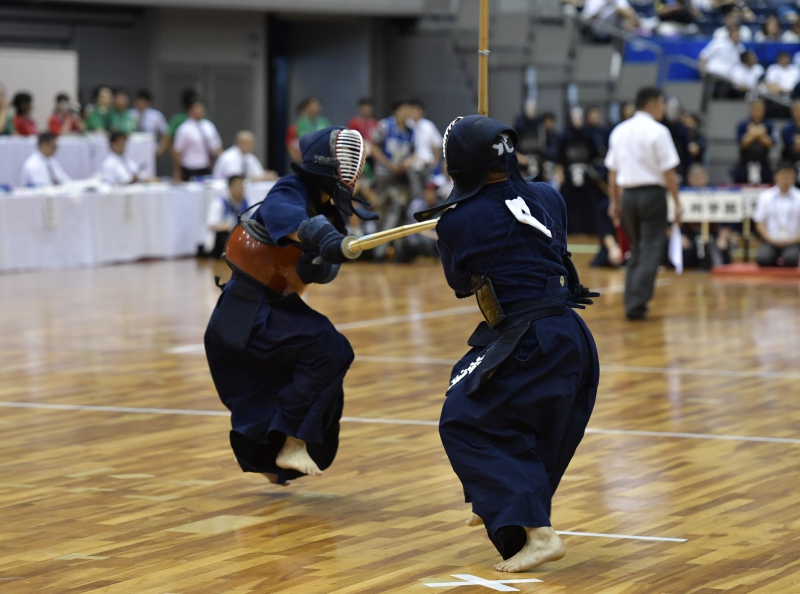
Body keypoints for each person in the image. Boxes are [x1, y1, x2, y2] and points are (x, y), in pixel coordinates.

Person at [412, 115, 599, 573]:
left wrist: (453, 221)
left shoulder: (457, 222)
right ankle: (500, 499)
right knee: (524, 421)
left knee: (462, 420)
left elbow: (461, 282)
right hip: (572, 335)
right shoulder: (549, 196)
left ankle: (538, 532)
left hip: (528, 337)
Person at [203, 126, 377, 485]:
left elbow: (316, 271)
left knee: (321, 368)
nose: (353, 175)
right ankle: (291, 441)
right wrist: (323, 238)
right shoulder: (290, 189)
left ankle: (273, 459)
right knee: (329, 349)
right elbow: (290, 219)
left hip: (275, 307)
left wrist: (332, 253)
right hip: (246, 311)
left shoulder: (328, 210)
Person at [606, 87, 682, 320]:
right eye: (661, 104)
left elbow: (612, 172)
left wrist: (614, 201)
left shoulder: (619, 131)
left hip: (628, 195)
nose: (663, 108)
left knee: (637, 250)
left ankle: (632, 299)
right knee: (650, 250)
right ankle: (636, 304)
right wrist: (677, 202)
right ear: (651, 105)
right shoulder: (659, 131)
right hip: (652, 195)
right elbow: (668, 172)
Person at [371, 100, 416, 234]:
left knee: (400, 209)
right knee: (381, 208)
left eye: (409, 110)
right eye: (404, 110)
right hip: (384, 174)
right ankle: (377, 246)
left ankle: (394, 247)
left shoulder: (411, 130)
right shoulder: (385, 125)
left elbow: (414, 152)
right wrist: (390, 165)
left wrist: (407, 162)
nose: (407, 113)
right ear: (396, 111)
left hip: (401, 176)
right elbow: (374, 148)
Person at [555, 106, 600, 234]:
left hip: (587, 173)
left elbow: (595, 155)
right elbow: (558, 158)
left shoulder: (589, 135)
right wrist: (560, 174)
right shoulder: (564, 136)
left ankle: (590, 229)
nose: (577, 120)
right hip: (568, 174)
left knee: (589, 202)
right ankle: (568, 229)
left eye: (580, 117)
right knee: (568, 202)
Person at [753, 161, 800, 267]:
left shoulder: (799, 197)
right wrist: (769, 239)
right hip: (771, 240)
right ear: (776, 176)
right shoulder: (766, 196)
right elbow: (759, 221)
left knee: (790, 259)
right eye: (784, 176)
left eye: (790, 176)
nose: (787, 179)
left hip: (793, 240)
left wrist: (796, 239)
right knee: (763, 259)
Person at [172, 99, 222, 181]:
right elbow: (178, 151)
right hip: (189, 168)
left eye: (201, 110)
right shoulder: (184, 129)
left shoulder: (209, 126)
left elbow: (216, 147)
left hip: (206, 167)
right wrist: (177, 172)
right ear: (190, 111)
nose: (199, 112)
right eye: (196, 109)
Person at [204, 175, 251, 258]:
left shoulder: (249, 203)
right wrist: (224, 226)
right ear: (230, 188)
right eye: (236, 186)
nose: (239, 190)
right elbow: (211, 224)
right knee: (222, 235)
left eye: (241, 187)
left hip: (242, 238)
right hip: (225, 239)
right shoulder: (219, 203)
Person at [407, 99, 443, 200]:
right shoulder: (407, 125)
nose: (414, 113)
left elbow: (437, 144)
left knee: (429, 190)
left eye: (417, 110)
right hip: (412, 165)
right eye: (412, 110)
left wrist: (435, 161)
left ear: (422, 112)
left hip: (427, 164)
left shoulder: (428, 126)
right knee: (416, 192)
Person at [733, 99, 774, 185]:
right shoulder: (743, 124)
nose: (757, 112)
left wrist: (757, 134)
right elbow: (743, 143)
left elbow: (770, 143)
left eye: (760, 110)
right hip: (745, 161)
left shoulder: (769, 125)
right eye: (755, 109)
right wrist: (755, 133)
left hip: (764, 162)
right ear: (751, 110)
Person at [212, 131, 277, 181]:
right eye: (250, 144)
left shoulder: (249, 157)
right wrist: (260, 178)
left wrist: (267, 176)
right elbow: (236, 180)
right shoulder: (229, 157)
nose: (254, 147)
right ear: (240, 143)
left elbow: (259, 174)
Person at [286, 97, 331, 163]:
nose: (315, 107)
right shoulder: (298, 125)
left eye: (317, 104)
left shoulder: (324, 122)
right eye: (312, 105)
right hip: (304, 158)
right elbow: (291, 145)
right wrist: (300, 160)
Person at [781, 99, 800, 178]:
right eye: (797, 110)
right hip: (791, 160)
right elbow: (793, 148)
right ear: (792, 111)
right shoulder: (787, 128)